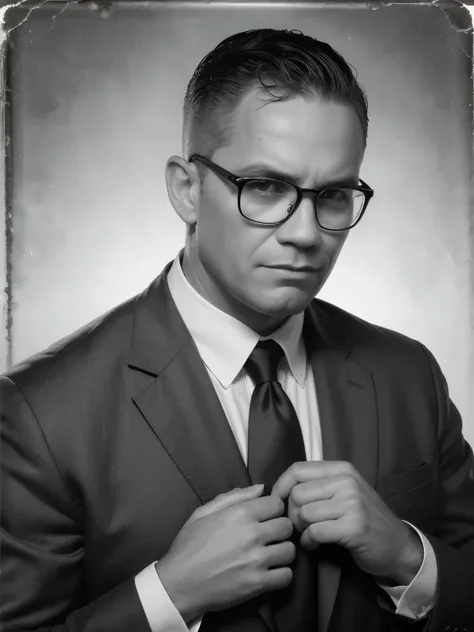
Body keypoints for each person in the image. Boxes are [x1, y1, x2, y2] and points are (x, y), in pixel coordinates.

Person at [1, 27, 473, 632]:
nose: (305, 233)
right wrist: (167, 596)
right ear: (187, 190)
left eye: (332, 195)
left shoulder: (409, 374)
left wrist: (410, 559)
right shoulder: (39, 413)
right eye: (267, 187)